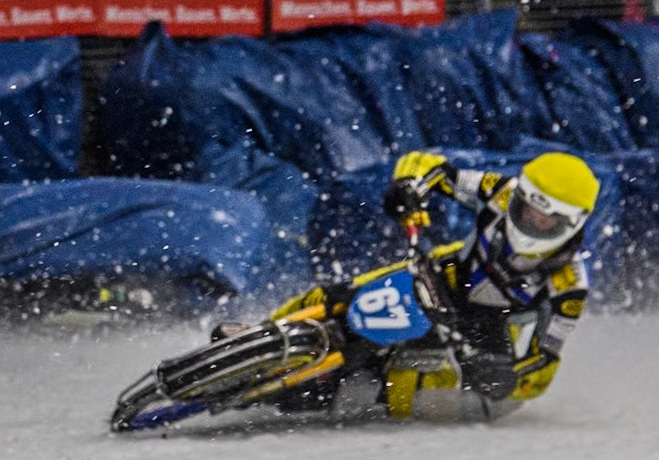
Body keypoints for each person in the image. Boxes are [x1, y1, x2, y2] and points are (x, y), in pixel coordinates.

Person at [252, 149, 600, 422]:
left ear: (571, 224)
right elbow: (428, 165)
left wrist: (507, 377)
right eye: (527, 211)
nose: (531, 222)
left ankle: (349, 395)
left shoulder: (569, 286)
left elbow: (544, 364)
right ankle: (260, 334)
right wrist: (409, 188)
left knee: (424, 384)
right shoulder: (501, 192)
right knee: (340, 295)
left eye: (546, 221)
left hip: (486, 331)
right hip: (445, 275)